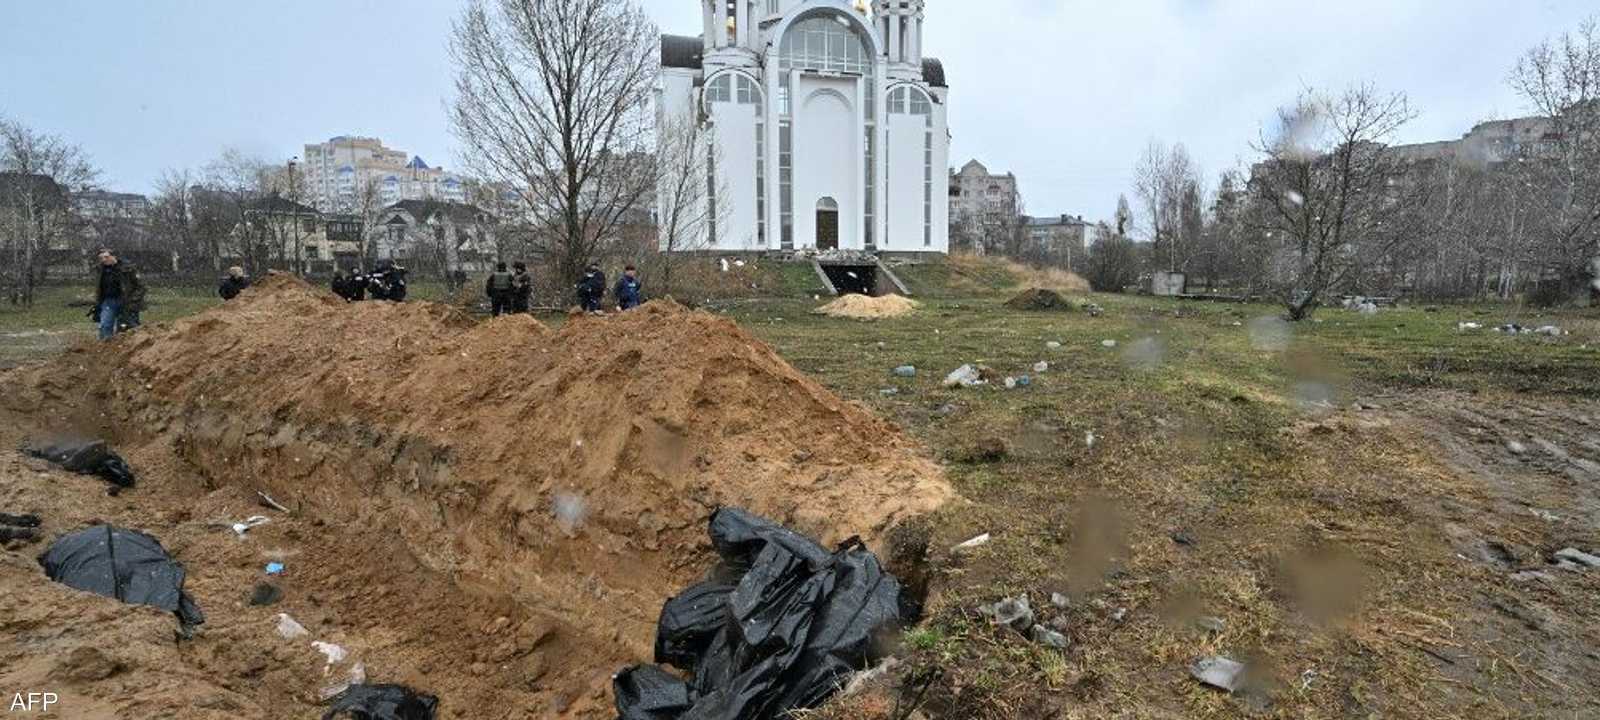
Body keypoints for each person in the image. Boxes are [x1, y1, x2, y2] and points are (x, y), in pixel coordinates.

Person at [90, 249, 144, 340]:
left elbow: (141, 286)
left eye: (106, 257)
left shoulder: (128, 268)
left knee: (128, 327)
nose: (104, 260)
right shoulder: (100, 269)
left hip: (126, 301)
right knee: (105, 325)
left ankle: (131, 344)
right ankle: (106, 344)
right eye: (101, 258)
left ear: (114, 256)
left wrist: (133, 299)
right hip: (108, 301)